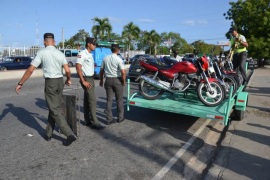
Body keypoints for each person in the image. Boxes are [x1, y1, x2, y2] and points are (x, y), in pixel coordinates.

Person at [15, 33, 77, 146]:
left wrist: (21, 83)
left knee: (54, 109)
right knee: (54, 108)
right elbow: (68, 70)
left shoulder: (41, 53)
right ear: (54, 42)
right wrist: (68, 79)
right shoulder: (60, 53)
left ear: (44, 41)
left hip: (51, 83)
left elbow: (30, 70)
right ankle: (48, 133)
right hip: (60, 82)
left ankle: (69, 134)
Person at [76, 37, 105, 130]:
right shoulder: (82, 54)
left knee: (87, 100)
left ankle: (87, 120)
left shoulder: (90, 54)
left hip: (90, 78)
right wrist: (83, 81)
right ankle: (95, 122)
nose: (95, 45)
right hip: (86, 79)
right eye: (93, 44)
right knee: (92, 101)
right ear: (88, 44)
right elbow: (78, 68)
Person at [99, 44, 126, 125]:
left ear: (111, 50)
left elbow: (101, 71)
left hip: (108, 80)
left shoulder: (105, 58)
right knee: (119, 100)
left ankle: (109, 119)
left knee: (109, 100)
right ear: (117, 50)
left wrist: (101, 80)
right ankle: (120, 118)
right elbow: (123, 72)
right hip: (117, 80)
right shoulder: (119, 59)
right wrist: (123, 82)